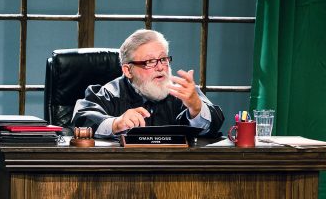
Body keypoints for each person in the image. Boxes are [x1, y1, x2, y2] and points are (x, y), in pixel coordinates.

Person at [71, 28, 225, 137]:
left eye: (163, 59)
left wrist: (197, 108)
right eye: (150, 62)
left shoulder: (182, 92)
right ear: (128, 70)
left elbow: (216, 123)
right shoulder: (109, 93)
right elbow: (81, 119)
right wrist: (116, 123)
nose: (160, 67)